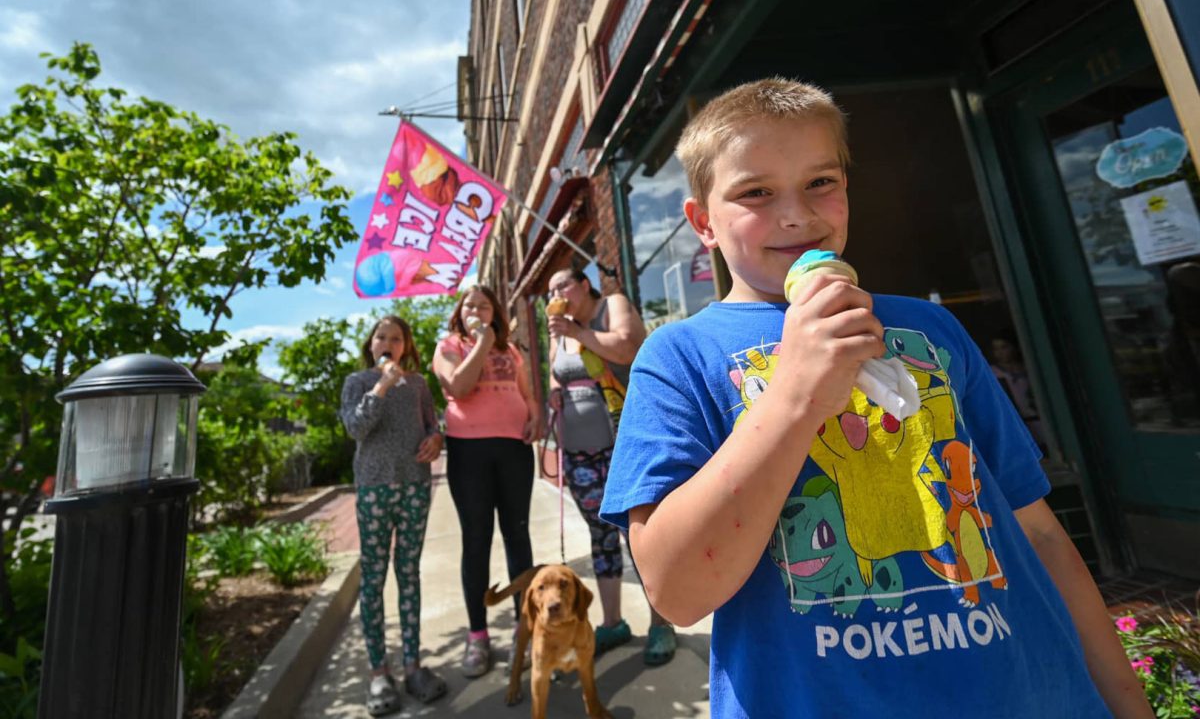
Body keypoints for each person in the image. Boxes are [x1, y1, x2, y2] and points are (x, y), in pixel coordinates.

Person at [599, 78, 1152, 717]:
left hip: (1030, 694)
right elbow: (677, 592)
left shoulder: (930, 329)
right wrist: (796, 394)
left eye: (820, 182)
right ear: (703, 223)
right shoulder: (677, 359)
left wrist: (1128, 704)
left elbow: (1039, 534)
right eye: (755, 192)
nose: (796, 215)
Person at [545, 267, 677, 666]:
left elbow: (626, 348)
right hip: (581, 452)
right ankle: (613, 622)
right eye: (551, 290)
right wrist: (554, 395)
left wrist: (576, 332)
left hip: (627, 439)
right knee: (600, 534)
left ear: (584, 285)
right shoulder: (561, 332)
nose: (557, 293)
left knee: (638, 531)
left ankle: (661, 623)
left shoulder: (610, 307)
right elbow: (557, 376)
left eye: (562, 285)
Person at [340, 315, 447, 715]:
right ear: (371, 344)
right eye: (381, 336)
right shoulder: (356, 382)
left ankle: (412, 665)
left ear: (406, 346)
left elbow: (431, 426)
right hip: (373, 488)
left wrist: (437, 440)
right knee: (373, 577)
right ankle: (378, 671)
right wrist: (381, 385)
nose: (388, 342)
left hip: (415, 487)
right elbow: (356, 428)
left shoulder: (418, 385)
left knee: (408, 574)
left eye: (396, 338)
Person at [432, 285, 539, 678]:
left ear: (494, 311)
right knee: (476, 539)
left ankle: (522, 627)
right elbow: (458, 387)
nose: (476, 308)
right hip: (469, 452)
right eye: (469, 305)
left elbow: (527, 395)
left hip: (514, 449)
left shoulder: (511, 351)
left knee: (518, 536)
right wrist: (481, 342)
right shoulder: (448, 346)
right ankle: (478, 636)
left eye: (484, 304)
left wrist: (535, 415)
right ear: (460, 313)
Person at [989, 330, 1047, 449]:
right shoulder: (992, 372)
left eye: (1004, 347)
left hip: (1041, 422)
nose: (1000, 353)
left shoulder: (1028, 367)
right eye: (996, 349)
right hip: (1018, 425)